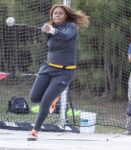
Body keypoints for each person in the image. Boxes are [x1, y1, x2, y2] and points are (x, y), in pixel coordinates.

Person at [27, 4, 89, 141]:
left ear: (66, 15)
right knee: (34, 98)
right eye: (55, 14)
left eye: (60, 13)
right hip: (48, 68)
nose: (57, 15)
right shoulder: (51, 28)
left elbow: (66, 37)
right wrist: (45, 31)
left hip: (64, 72)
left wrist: (53, 31)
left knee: (45, 102)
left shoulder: (71, 27)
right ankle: (53, 98)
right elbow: (51, 43)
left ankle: (35, 131)